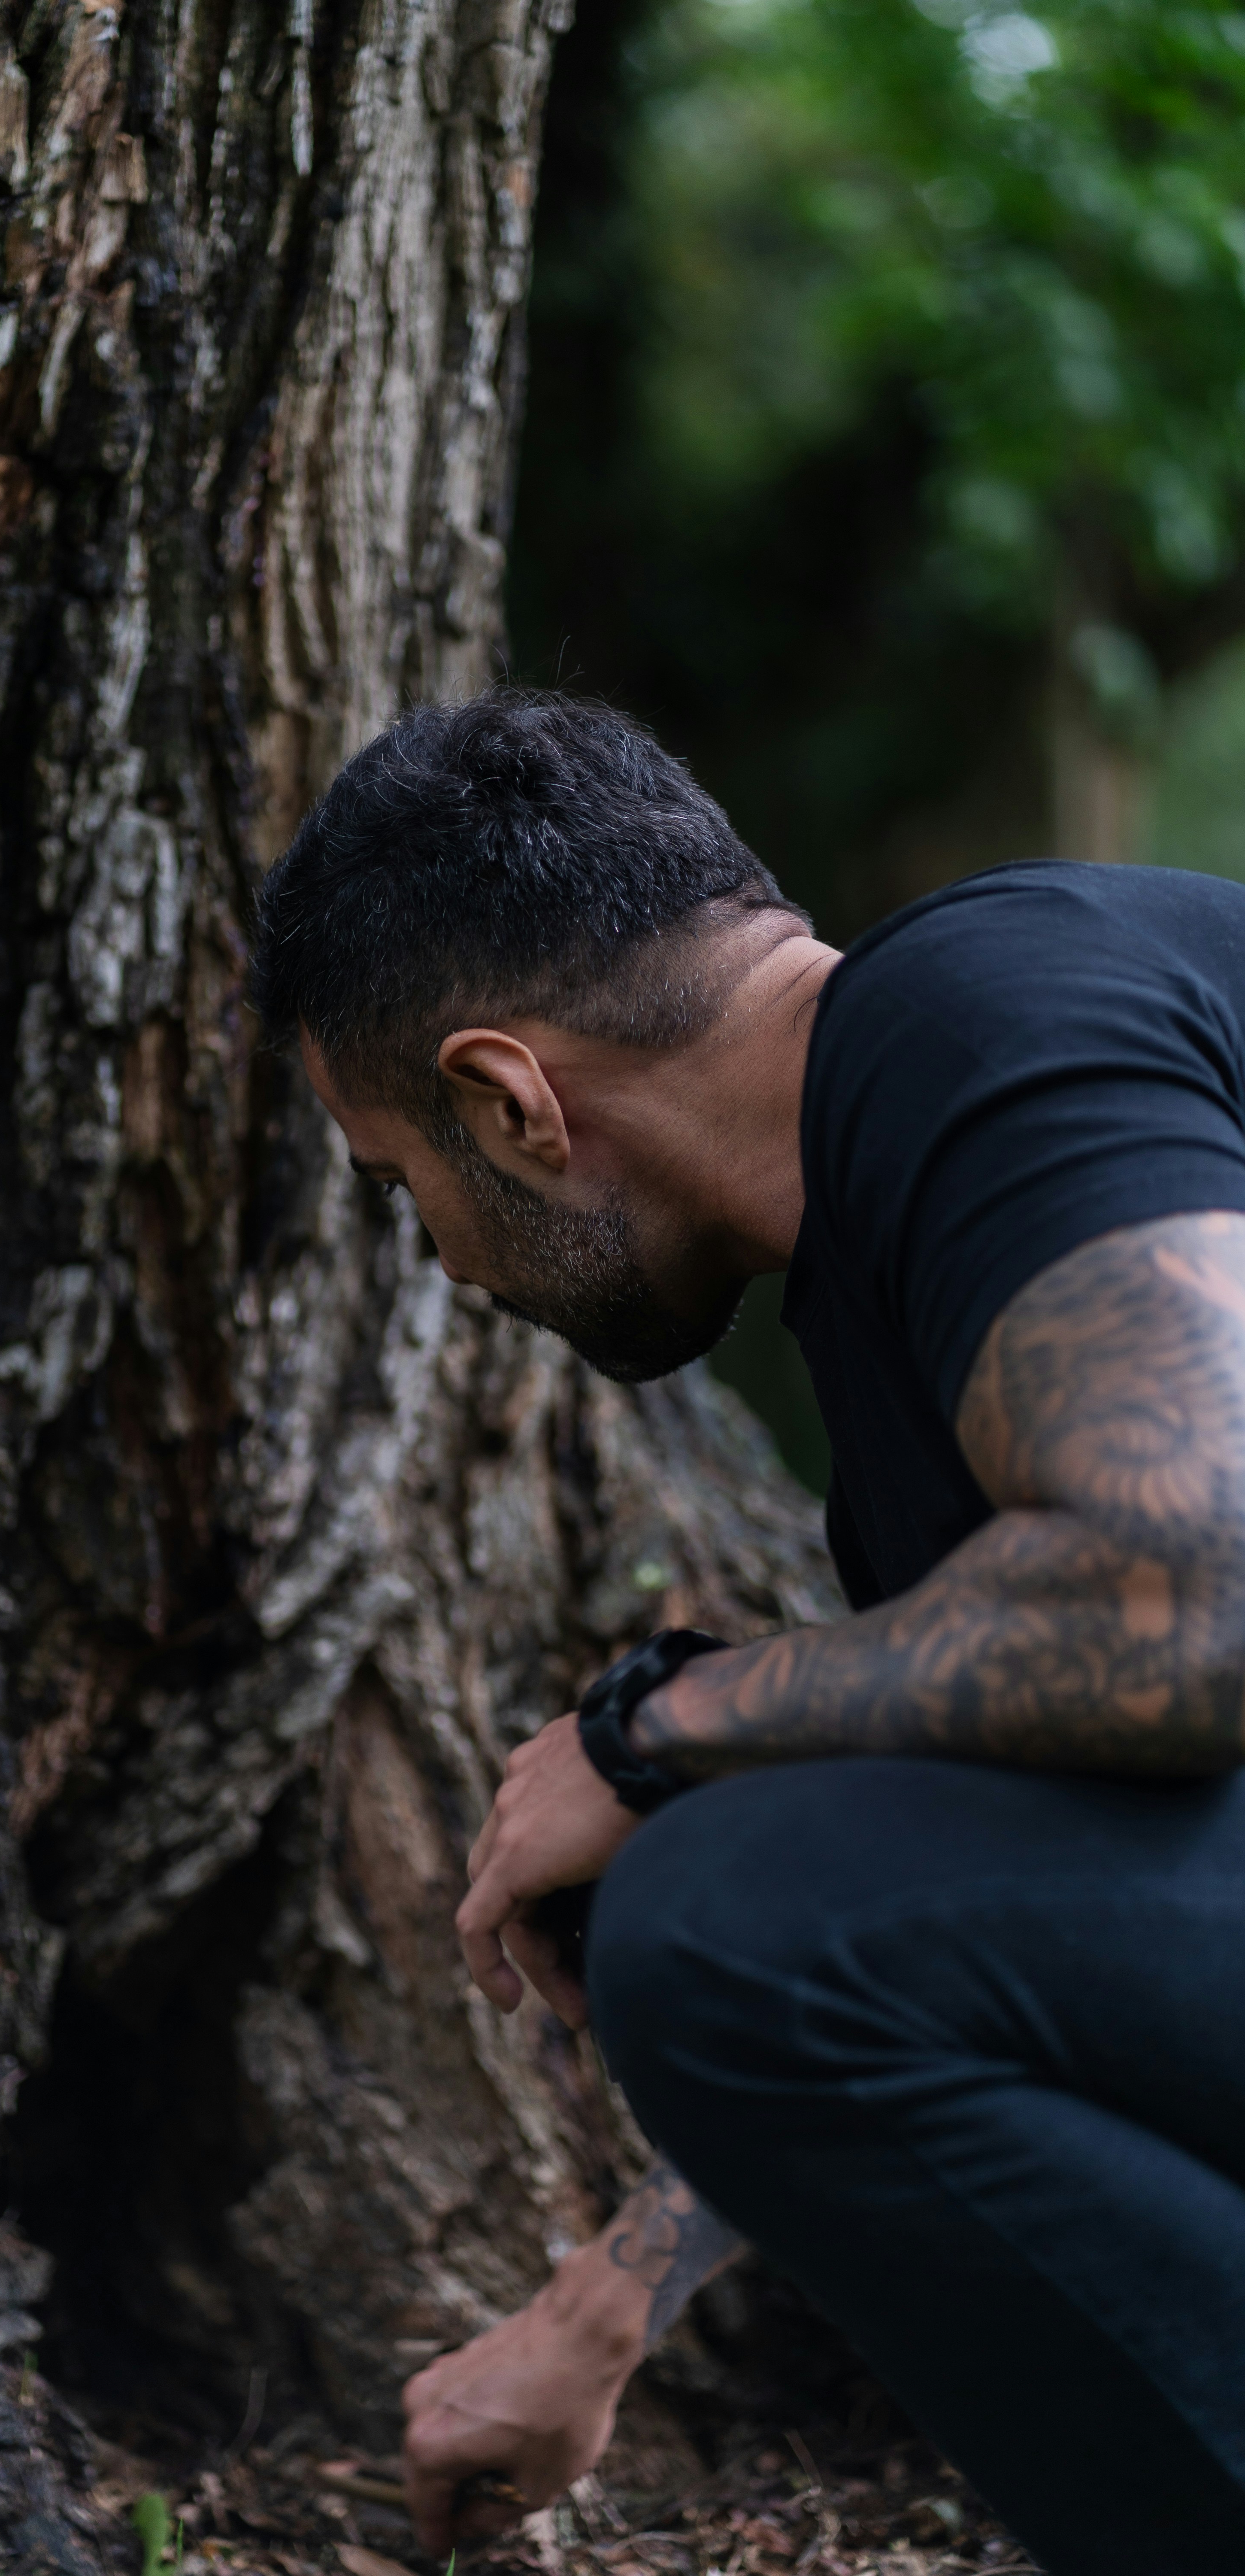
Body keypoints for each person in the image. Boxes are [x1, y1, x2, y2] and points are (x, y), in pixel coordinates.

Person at [247, 689, 1245, 2576]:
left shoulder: (984, 1015)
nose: (442, 1264)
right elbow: (1012, 1851)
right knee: (749, 1887)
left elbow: (1201, 1603)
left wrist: (655, 1730)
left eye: (403, 1189)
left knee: (725, 1903)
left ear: (509, 1101)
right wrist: (610, 2302)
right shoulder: (914, 1266)